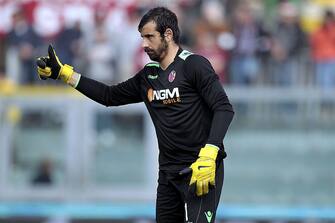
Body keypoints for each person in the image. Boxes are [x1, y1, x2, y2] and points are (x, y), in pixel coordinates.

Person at [36, 7, 234, 223]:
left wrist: (209, 154)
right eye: (142, 37)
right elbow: (108, 95)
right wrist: (65, 74)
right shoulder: (148, 75)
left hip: (200, 169)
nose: (144, 44)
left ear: (168, 34)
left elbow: (224, 108)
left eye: (149, 37)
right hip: (168, 174)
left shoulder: (194, 65)